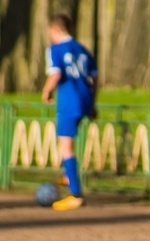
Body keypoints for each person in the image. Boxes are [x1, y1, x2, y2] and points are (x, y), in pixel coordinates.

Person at [41, 13, 98, 211]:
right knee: (67, 144)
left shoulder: (55, 49)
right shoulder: (83, 49)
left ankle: (76, 194)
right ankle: (68, 175)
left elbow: (56, 74)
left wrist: (46, 90)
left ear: (55, 30)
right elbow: (94, 78)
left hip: (68, 100)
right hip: (85, 98)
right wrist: (93, 103)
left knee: (66, 146)